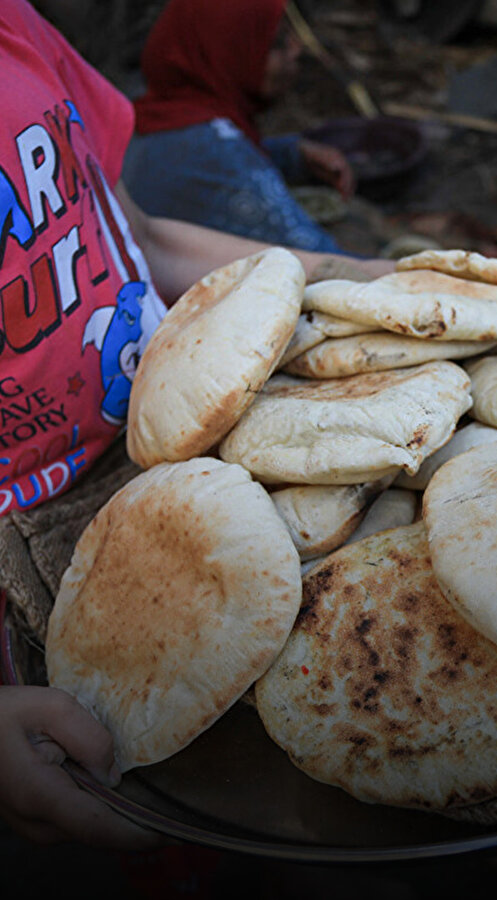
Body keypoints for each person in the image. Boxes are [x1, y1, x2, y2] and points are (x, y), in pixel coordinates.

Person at [0, 0, 390, 849]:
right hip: (28, 564)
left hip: (188, 438)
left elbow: (136, 234)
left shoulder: (16, 29)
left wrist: (359, 275)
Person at [121, 0, 356, 254]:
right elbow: (323, 261)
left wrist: (291, 154)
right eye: (276, 43)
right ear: (229, 53)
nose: (296, 50)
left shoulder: (154, 115)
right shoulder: (213, 152)